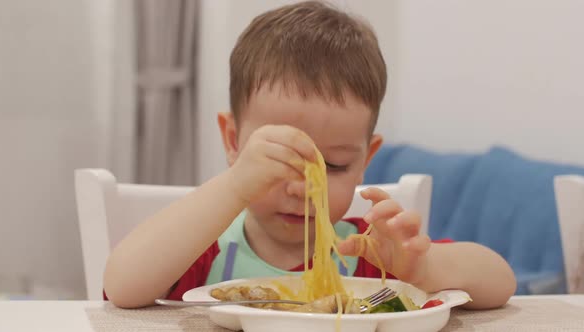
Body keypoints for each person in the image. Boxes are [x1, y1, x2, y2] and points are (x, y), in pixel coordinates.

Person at [104, 1, 516, 309]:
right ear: (233, 141)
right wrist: (232, 188)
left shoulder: (369, 256)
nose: (303, 188)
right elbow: (120, 287)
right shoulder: (203, 250)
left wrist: (421, 270)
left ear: (366, 159)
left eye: (334, 165)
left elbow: (501, 282)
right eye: (277, 160)